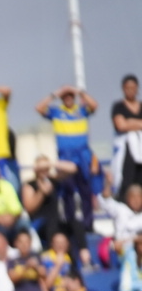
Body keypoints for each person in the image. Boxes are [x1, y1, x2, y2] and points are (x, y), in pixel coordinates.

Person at [38, 85, 101, 240]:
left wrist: (80, 92)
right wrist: (55, 93)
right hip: (65, 157)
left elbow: (95, 105)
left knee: (85, 190)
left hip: (82, 156)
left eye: (70, 95)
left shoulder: (82, 110)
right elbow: (39, 108)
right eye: (65, 96)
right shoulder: (56, 112)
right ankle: (71, 225)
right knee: (68, 191)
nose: (68, 98)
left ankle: (88, 225)